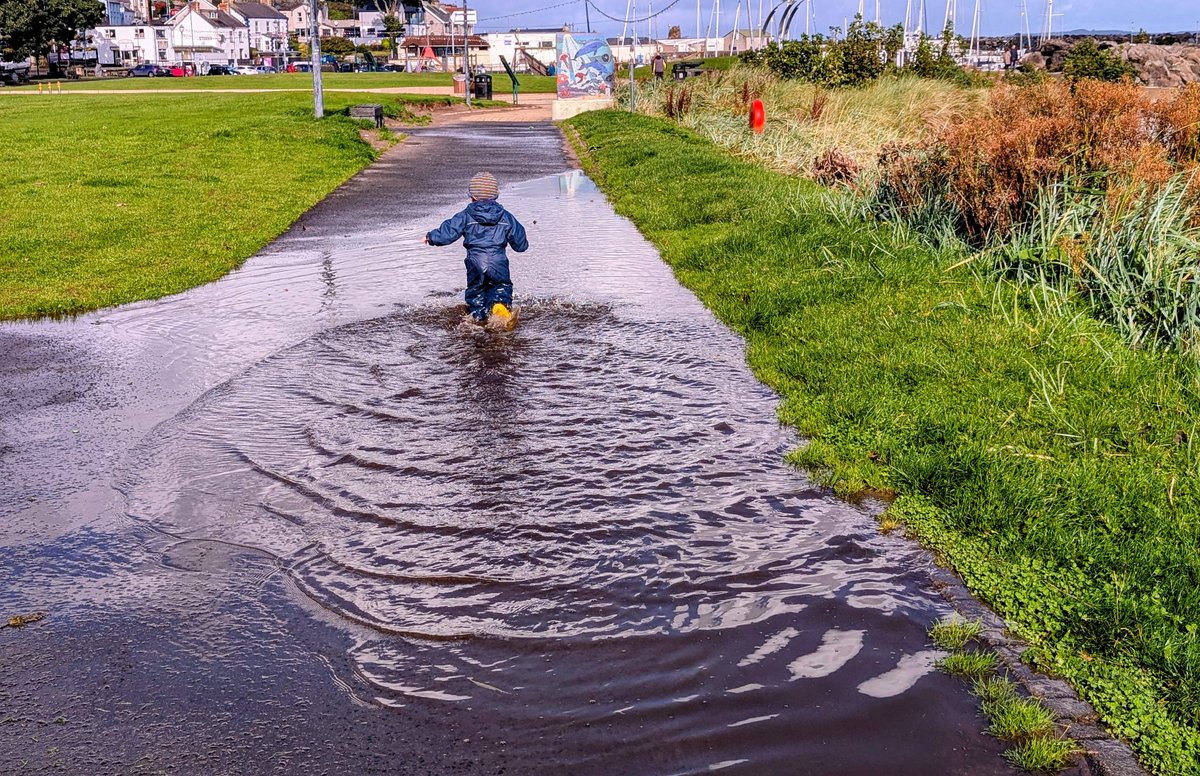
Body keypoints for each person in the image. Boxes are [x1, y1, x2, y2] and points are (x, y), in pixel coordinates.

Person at [424, 172, 528, 324]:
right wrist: (522, 244)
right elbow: (520, 243)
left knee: (476, 290)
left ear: (471, 196)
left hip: (475, 262)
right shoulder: (506, 217)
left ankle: (478, 318)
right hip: (498, 262)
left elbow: (448, 232)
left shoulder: (465, 215)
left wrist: (431, 237)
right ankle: (499, 306)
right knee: (501, 286)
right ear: (496, 195)